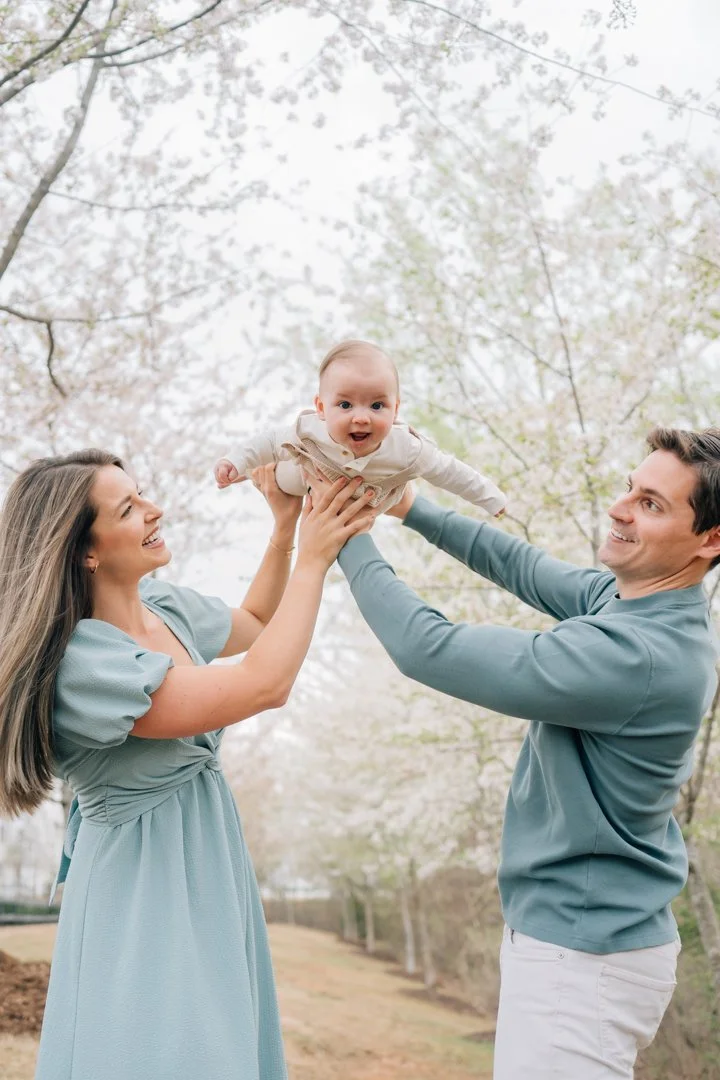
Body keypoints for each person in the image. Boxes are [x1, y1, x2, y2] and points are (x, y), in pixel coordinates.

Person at [316, 425, 720, 1080]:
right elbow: (521, 566)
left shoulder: (636, 655)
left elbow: (428, 648)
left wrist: (347, 536)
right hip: (591, 945)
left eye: (652, 504)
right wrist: (410, 507)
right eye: (630, 488)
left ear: (711, 540)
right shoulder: (639, 606)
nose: (620, 509)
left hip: (580, 963)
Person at [0, 449, 373, 1080]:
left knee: (220, 1043)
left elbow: (256, 622)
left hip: (207, 858)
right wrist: (315, 555)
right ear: (85, 550)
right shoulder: (84, 666)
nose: (155, 508)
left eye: (142, 492)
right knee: (164, 1050)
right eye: (129, 507)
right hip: (141, 887)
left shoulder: (164, 608)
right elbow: (263, 685)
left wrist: (284, 531)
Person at [214, 339, 506, 515]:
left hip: (367, 493)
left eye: (377, 406)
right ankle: (250, 473)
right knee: (279, 475)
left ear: (396, 409)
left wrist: (491, 498)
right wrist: (236, 460)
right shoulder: (309, 432)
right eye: (345, 405)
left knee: (364, 518)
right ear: (321, 409)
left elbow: (451, 472)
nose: (362, 417)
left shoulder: (408, 450)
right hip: (306, 470)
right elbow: (267, 441)